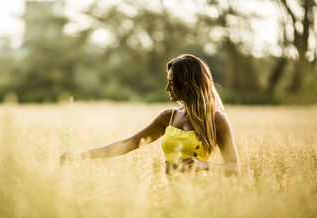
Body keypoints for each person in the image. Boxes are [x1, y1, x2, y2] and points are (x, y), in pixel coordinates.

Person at [60, 54, 240, 177]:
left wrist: (202, 165)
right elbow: (126, 144)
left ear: (186, 83)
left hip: (201, 198)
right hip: (168, 195)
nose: (167, 88)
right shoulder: (168, 117)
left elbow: (234, 168)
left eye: (171, 83)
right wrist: (79, 156)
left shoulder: (216, 119)